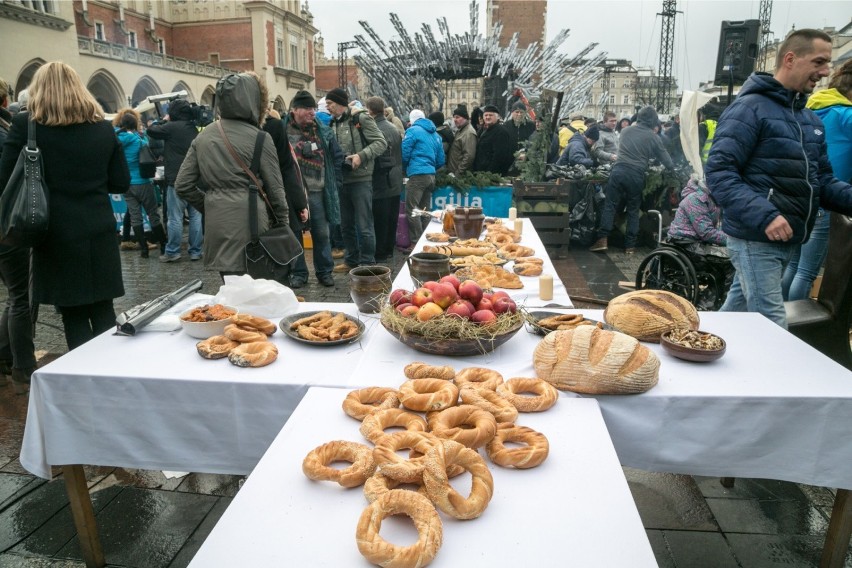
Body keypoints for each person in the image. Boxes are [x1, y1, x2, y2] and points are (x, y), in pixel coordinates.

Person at [706, 29, 852, 328]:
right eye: (819, 62)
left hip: (785, 238)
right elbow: (719, 172)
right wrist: (766, 215)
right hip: (755, 236)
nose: (825, 72)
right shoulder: (749, 108)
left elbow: (822, 180)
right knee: (771, 325)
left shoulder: (809, 119)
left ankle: (692, 353)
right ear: (790, 59)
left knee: (735, 312)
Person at [0, 61, 130, 352]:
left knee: (72, 311)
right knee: (103, 306)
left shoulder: (26, 125)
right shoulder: (103, 128)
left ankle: (83, 378)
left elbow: (5, 179)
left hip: (54, 230)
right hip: (98, 226)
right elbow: (120, 183)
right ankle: (111, 370)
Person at [175, 72, 289, 281]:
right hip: (253, 223)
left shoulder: (203, 136)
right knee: (259, 292)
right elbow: (276, 190)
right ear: (254, 100)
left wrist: (210, 204)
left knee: (230, 288)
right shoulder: (261, 138)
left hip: (218, 223)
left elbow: (182, 185)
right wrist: (283, 225)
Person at [782, 58, 852, 301]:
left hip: (806, 195)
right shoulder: (847, 115)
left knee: (794, 266)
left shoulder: (815, 109)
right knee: (807, 272)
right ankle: (795, 325)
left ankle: (781, 315)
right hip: (829, 197)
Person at [277, 90, 342, 287]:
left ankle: (324, 271)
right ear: (294, 110)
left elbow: (336, 156)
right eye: (306, 108)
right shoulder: (281, 130)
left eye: (313, 108)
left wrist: (336, 181)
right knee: (294, 233)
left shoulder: (323, 130)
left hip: (318, 191)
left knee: (321, 233)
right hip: (292, 192)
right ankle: (299, 273)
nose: (312, 112)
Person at [590, 106, 674, 254]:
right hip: (636, 175)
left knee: (610, 206)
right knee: (633, 210)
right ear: (653, 120)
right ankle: (630, 246)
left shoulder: (625, 131)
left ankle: (602, 239)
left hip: (618, 171)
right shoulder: (653, 137)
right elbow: (668, 162)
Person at [324, 87, 387, 273]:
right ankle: (351, 260)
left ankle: (368, 263)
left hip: (361, 179)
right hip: (342, 179)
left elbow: (381, 143)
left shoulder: (361, 118)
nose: (328, 108)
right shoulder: (332, 123)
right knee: (346, 225)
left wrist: (360, 156)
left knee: (364, 224)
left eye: (330, 104)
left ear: (340, 103)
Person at [0, 76, 36, 394]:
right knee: (19, 297)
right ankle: (22, 365)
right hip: (6, 222)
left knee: (13, 295)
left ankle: (3, 356)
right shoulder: (4, 131)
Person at [263, 96, 313, 289]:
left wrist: (300, 202)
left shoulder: (273, 126)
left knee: (289, 231)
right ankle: (294, 272)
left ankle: (296, 271)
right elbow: (287, 167)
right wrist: (301, 203)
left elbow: (287, 167)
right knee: (290, 231)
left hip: (273, 190)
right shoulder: (276, 126)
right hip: (281, 189)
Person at [147, 98, 202, 262]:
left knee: (175, 217)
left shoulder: (170, 127)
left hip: (176, 179)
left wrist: (163, 120)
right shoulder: (194, 128)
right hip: (196, 179)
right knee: (196, 217)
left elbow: (151, 130)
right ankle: (196, 251)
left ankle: (173, 251)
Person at [114, 109, 167, 258]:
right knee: (153, 214)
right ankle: (163, 245)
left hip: (127, 184)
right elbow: (147, 147)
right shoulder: (138, 139)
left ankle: (143, 249)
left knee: (135, 216)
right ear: (135, 124)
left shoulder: (117, 139)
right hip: (143, 182)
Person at [366, 96, 403, 262]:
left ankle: (380, 252)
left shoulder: (375, 128)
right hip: (395, 178)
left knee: (380, 219)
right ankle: (388, 249)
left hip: (382, 179)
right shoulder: (393, 127)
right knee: (391, 217)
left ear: (370, 111)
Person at [402, 109, 445, 246]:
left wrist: (406, 167)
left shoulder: (412, 131)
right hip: (431, 175)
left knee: (413, 210)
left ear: (412, 120)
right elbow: (441, 159)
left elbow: (404, 152)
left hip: (417, 174)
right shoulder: (436, 135)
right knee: (424, 210)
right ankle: (427, 241)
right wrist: (430, 168)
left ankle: (417, 243)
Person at [472, 105, 513, 176]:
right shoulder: (482, 130)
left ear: (497, 117)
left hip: (491, 175)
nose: (487, 117)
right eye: (486, 115)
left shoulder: (501, 132)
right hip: (480, 173)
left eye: (491, 115)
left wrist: (489, 174)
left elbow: (499, 157)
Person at [446, 105, 477, 175]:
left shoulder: (469, 133)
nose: (455, 120)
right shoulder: (460, 130)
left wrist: (458, 173)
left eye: (457, 117)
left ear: (465, 118)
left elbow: (469, 157)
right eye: (454, 117)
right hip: (454, 174)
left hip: (460, 177)